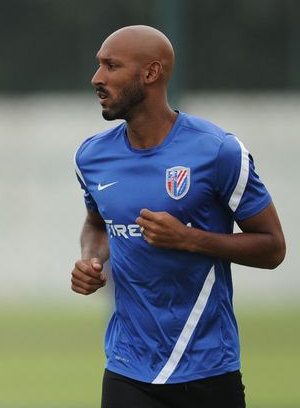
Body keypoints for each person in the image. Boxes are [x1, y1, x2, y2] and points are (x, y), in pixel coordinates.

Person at [71, 25, 286, 408]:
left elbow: (273, 248)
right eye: (99, 65)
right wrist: (91, 259)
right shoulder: (91, 157)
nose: (97, 78)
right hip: (127, 367)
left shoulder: (218, 152)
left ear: (151, 73)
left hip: (207, 368)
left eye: (111, 66)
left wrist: (189, 239)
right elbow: (96, 223)